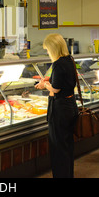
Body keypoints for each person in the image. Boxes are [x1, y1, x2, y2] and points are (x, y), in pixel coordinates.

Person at [35, 33, 78, 178]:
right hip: (71, 106)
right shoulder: (69, 60)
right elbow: (64, 80)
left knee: (58, 148)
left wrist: (45, 85)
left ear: (53, 48)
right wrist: (49, 79)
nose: (47, 53)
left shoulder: (58, 64)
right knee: (67, 146)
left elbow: (56, 89)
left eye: (47, 50)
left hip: (60, 110)